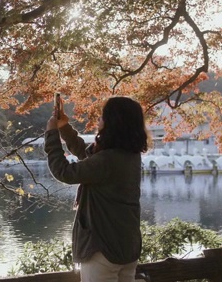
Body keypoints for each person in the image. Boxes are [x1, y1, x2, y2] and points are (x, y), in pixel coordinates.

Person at [45, 96, 148, 282]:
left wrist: (51, 134)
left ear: (114, 122)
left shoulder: (108, 159)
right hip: (126, 245)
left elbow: (64, 172)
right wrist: (64, 128)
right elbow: (88, 156)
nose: (99, 119)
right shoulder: (128, 155)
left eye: (103, 115)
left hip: (103, 248)